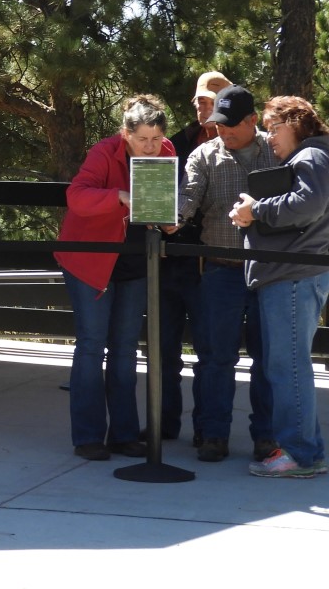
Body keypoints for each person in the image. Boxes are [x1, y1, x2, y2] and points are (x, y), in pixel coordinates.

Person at [55, 94, 172, 460]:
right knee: (91, 345)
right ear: (126, 134)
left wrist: (169, 219)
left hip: (135, 263)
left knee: (124, 348)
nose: (150, 147)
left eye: (155, 139)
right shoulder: (104, 152)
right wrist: (118, 196)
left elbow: (163, 206)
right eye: (142, 140)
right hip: (92, 261)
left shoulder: (166, 152)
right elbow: (77, 196)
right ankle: (88, 437)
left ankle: (123, 434)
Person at [174, 84, 277, 463]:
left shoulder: (279, 151)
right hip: (221, 269)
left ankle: (266, 437)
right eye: (220, 124)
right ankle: (213, 435)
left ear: (253, 121)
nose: (225, 131)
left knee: (268, 359)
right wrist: (169, 218)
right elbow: (189, 196)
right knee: (216, 357)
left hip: (270, 271)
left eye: (233, 125)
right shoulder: (204, 154)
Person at [229, 96, 329, 477]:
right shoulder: (313, 157)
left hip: (292, 277)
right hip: (295, 275)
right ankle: (301, 449)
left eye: (274, 128)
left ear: (297, 123)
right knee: (287, 366)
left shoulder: (311, 157)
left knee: (288, 368)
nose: (269, 138)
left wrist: (256, 210)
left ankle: (302, 454)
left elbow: (308, 204)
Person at [153, 70, 232, 443]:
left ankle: (207, 431)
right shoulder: (175, 144)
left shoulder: (238, 146)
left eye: (210, 101)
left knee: (210, 353)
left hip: (210, 264)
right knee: (163, 350)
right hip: (168, 260)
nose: (203, 107)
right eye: (200, 101)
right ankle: (163, 424)